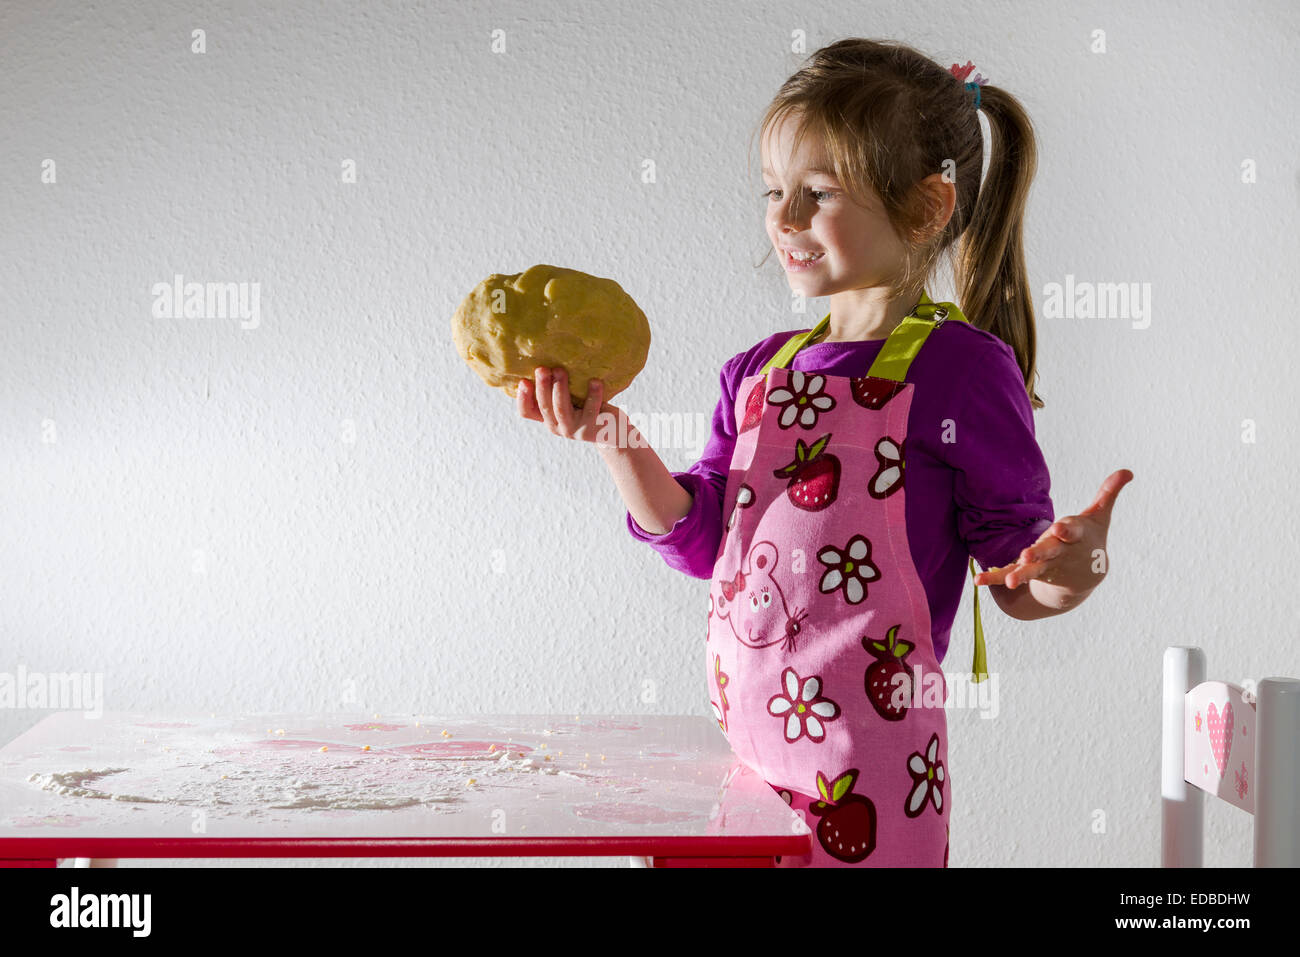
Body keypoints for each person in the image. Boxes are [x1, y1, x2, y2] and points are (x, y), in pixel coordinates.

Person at [516, 38, 1132, 867]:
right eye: (775, 192)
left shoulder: (959, 370)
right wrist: (612, 438)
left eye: (817, 192)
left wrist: (1071, 566)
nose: (784, 219)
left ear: (925, 208)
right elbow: (704, 540)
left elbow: (1017, 578)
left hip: (869, 779)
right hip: (744, 765)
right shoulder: (754, 372)